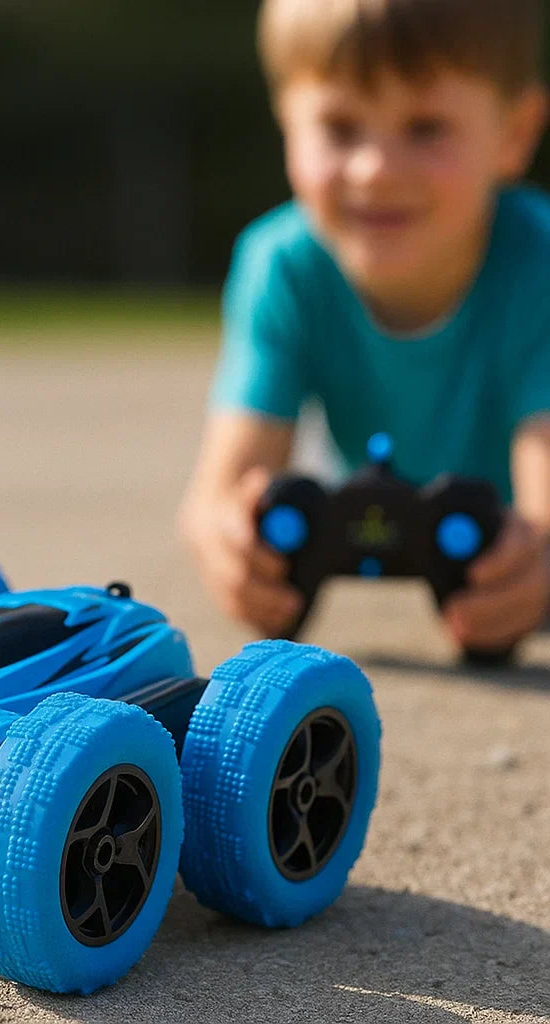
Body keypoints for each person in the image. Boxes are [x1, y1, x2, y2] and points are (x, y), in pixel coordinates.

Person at [179, 0, 550, 655]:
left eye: (426, 128)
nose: (374, 169)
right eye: (340, 127)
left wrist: (536, 560)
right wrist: (233, 545)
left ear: (515, 134)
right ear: (287, 124)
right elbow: (219, 493)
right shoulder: (282, 266)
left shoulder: (538, 264)